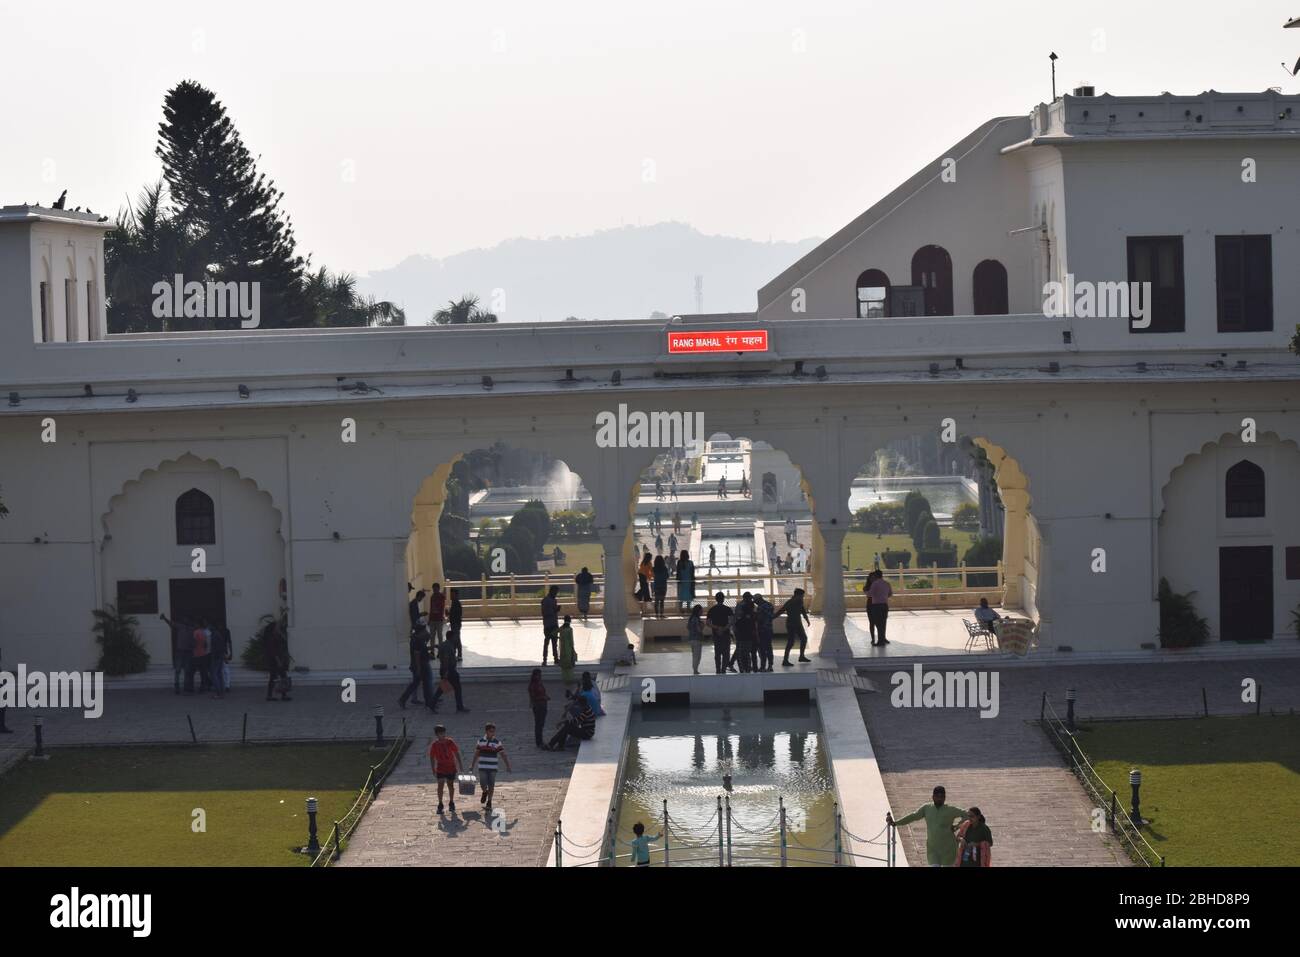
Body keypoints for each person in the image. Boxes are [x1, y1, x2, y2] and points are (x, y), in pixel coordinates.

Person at [887, 786, 969, 868]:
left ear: (945, 798)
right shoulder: (927, 808)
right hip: (933, 848)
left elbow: (967, 815)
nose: (940, 799)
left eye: (942, 797)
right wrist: (896, 823)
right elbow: (913, 816)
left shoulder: (950, 810)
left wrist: (957, 826)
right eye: (937, 796)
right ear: (933, 797)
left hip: (948, 848)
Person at [470, 723, 511, 814]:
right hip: (482, 766)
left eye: (493, 731)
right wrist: (472, 765)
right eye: (490, 731)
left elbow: (503, 754)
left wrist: (507, 765)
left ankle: (489, 802)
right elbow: (476, 753)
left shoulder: (497, 742)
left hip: (493, 767)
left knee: (491, 785)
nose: (492, 733)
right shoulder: (480, 741)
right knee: (482, 783)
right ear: (486, 731)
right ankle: (485, 792)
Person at [428, 725, 463, 816]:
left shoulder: (450, 742)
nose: (442, 735)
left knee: (450, 785)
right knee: (440, 785)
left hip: (451, 767)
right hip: (440, 767)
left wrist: (460, 764)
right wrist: (433, 768)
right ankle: (440, 804)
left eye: (443, 733)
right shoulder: (434, 745)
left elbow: (456, 752)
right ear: (437, 735)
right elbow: (432, 757)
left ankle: (451, 802)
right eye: (440, 733)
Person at [398, 620, 433, 710]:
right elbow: (417, 654)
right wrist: (418, 668)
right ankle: (428, 702)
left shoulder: (416, 638)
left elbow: (422, 649)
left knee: (418, 683)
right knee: (426, 683)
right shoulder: (417, 640)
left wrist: (432, 647)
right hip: (421, 664)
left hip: (419, 664)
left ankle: (404, 699)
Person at [430, 635, 469, 713]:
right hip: (450, 670)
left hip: (445, 669)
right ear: (451, 637)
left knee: (442, 688)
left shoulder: (443, 644)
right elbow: (446, 659)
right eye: (454, 637)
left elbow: (440, 650)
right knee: (457, 688)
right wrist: (447, 672)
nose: (456, 639)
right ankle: (459, 706)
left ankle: (432, 703)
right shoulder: (449, 646)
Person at [160, 612, 193, 694]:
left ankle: (186, 687)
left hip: (188, 652)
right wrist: (164, 618)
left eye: (187, 619)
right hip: (180, 651)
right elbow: (171, 623)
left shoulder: (192, 628)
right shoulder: (180, 626)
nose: (186, 620)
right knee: (178, 670)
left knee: (186, 670)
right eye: (184, 619)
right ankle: (177, 686)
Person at [777, 588, 812, 665]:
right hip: (791, 624)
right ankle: (785, 660)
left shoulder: (799, 601)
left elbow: (802, 610)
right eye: (802, 596)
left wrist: (807, 620)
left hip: (798, 623)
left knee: (804, 638)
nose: (802, 597)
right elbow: (781, 610)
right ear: (797, 595)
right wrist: (773, 617)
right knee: (791, 642)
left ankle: (801, 656)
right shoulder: (790, 602)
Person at [264, 619, 292, 701]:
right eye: (277, 626)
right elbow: (274, 651)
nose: (279, 627)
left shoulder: (278, 636)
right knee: (275, 677)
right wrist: (278, 661)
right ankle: (271, 695)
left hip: (279, 659)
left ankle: (282, 694)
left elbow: (283, 644)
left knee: (282, 677)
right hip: (275, 660)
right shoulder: (272, 638)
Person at [707, 592, 733, 674]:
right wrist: (724, 628)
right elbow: (731, 621)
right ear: (723, 599)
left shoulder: (712, 609)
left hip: (716, 634)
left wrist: (717, 628)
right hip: (726, 633)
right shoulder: (728, 609)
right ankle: (723, 669)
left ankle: (718, 669)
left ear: (716, 599)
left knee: (717, 652)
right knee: (726, 653)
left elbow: (708, 623)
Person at [867, 570, 893, 645]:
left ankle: (880, 641)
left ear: (875, 576)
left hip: (876, 606)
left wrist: (866, 592)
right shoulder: (887, 583)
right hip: (884, 605)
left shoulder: (875, 583)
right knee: (883, 623)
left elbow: (870, 594)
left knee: (878, 624)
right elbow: (890, 594)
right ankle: (883, 639)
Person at [732, 593, 757, 673]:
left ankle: (742, 668)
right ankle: (747, 668)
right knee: (746, 652)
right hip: (747, 635)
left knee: (741, 652)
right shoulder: (748, 610)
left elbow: (737, 621)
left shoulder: (742, 607)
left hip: (741, 634)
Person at [528, 669, 549, 748]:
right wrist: (543, 697)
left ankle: (540, 740)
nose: (540, 676)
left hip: (543, 705)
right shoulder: (533, 685)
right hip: (538, 706)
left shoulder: (539, 683)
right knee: (538, 724)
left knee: (541, 724)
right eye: (538, 675)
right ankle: (539, 742)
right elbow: (533, 697)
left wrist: (546, 697)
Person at [754, 594, 776, 672]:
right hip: (769, 629)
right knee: (769, 648)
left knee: (762, 649)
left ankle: (763, 666)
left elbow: (758, 619)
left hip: (762, 630)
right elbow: (772, 616)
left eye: (755, 601)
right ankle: (770, 666)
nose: (755, 603)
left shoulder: (760, 607)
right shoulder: (770, 605)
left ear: (759, 599)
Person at [541, 585, 561, 665]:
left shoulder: (550, 600)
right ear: (552, 591)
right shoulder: (547, 600)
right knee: (549, 642)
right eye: (555, 592)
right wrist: (555, 610)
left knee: (552, 643)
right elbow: (546, 613)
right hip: (550, 624)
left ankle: (551, 658)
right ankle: (548, 659)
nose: (556, 594)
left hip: (550, 624)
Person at [208, 620, 228, 699]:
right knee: (219, 674)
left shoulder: (214, 635)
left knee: (214, 674)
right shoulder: (217, 634)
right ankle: (221, 692)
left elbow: (216, 647)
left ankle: (218, 692)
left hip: (216, 656)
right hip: (219, 656)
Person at [192, 619, 212, 693]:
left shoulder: (195, 632)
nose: (194, 625)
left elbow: (194, 643)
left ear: (197, 624)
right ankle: (204, 686)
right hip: (204, 654)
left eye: (195, 624)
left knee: (192, 671)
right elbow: (206, 644)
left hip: (197, 654)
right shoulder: (204, 632)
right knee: (203, 671)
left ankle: (192, 687)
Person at [686, 604, 705, 675]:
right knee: (697, 656)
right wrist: (702, 626)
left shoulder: (691, 618)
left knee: (694, 655)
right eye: (701, 611)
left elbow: (687, 627)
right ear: (698, 611)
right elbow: (699, 629)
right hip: (697, 639)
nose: (702, 612)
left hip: (691, 639)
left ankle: (695, 669)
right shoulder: (696, 619)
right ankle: (695, 670)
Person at [557, 615, 577, 683]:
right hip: (568, 648)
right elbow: (571, 641)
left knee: (564, 665)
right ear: (570, 621)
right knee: (569, 665)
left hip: (562, 649)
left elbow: (555, 633)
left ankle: (565, 679)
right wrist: (573, 649)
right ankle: (570, 679)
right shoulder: (570, 629)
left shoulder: (561, 629)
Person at [447, 587, 464, 661]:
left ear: (456, 595)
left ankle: (459, 655)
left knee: (457, 639)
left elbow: (457, 614)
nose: (451, 596)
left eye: (453, 594)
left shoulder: (457, 603)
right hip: (454, 623)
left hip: (456, 624)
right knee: (455, 639)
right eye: (451, 594)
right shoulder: (453, 603)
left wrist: (450, 614)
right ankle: (454, 654)